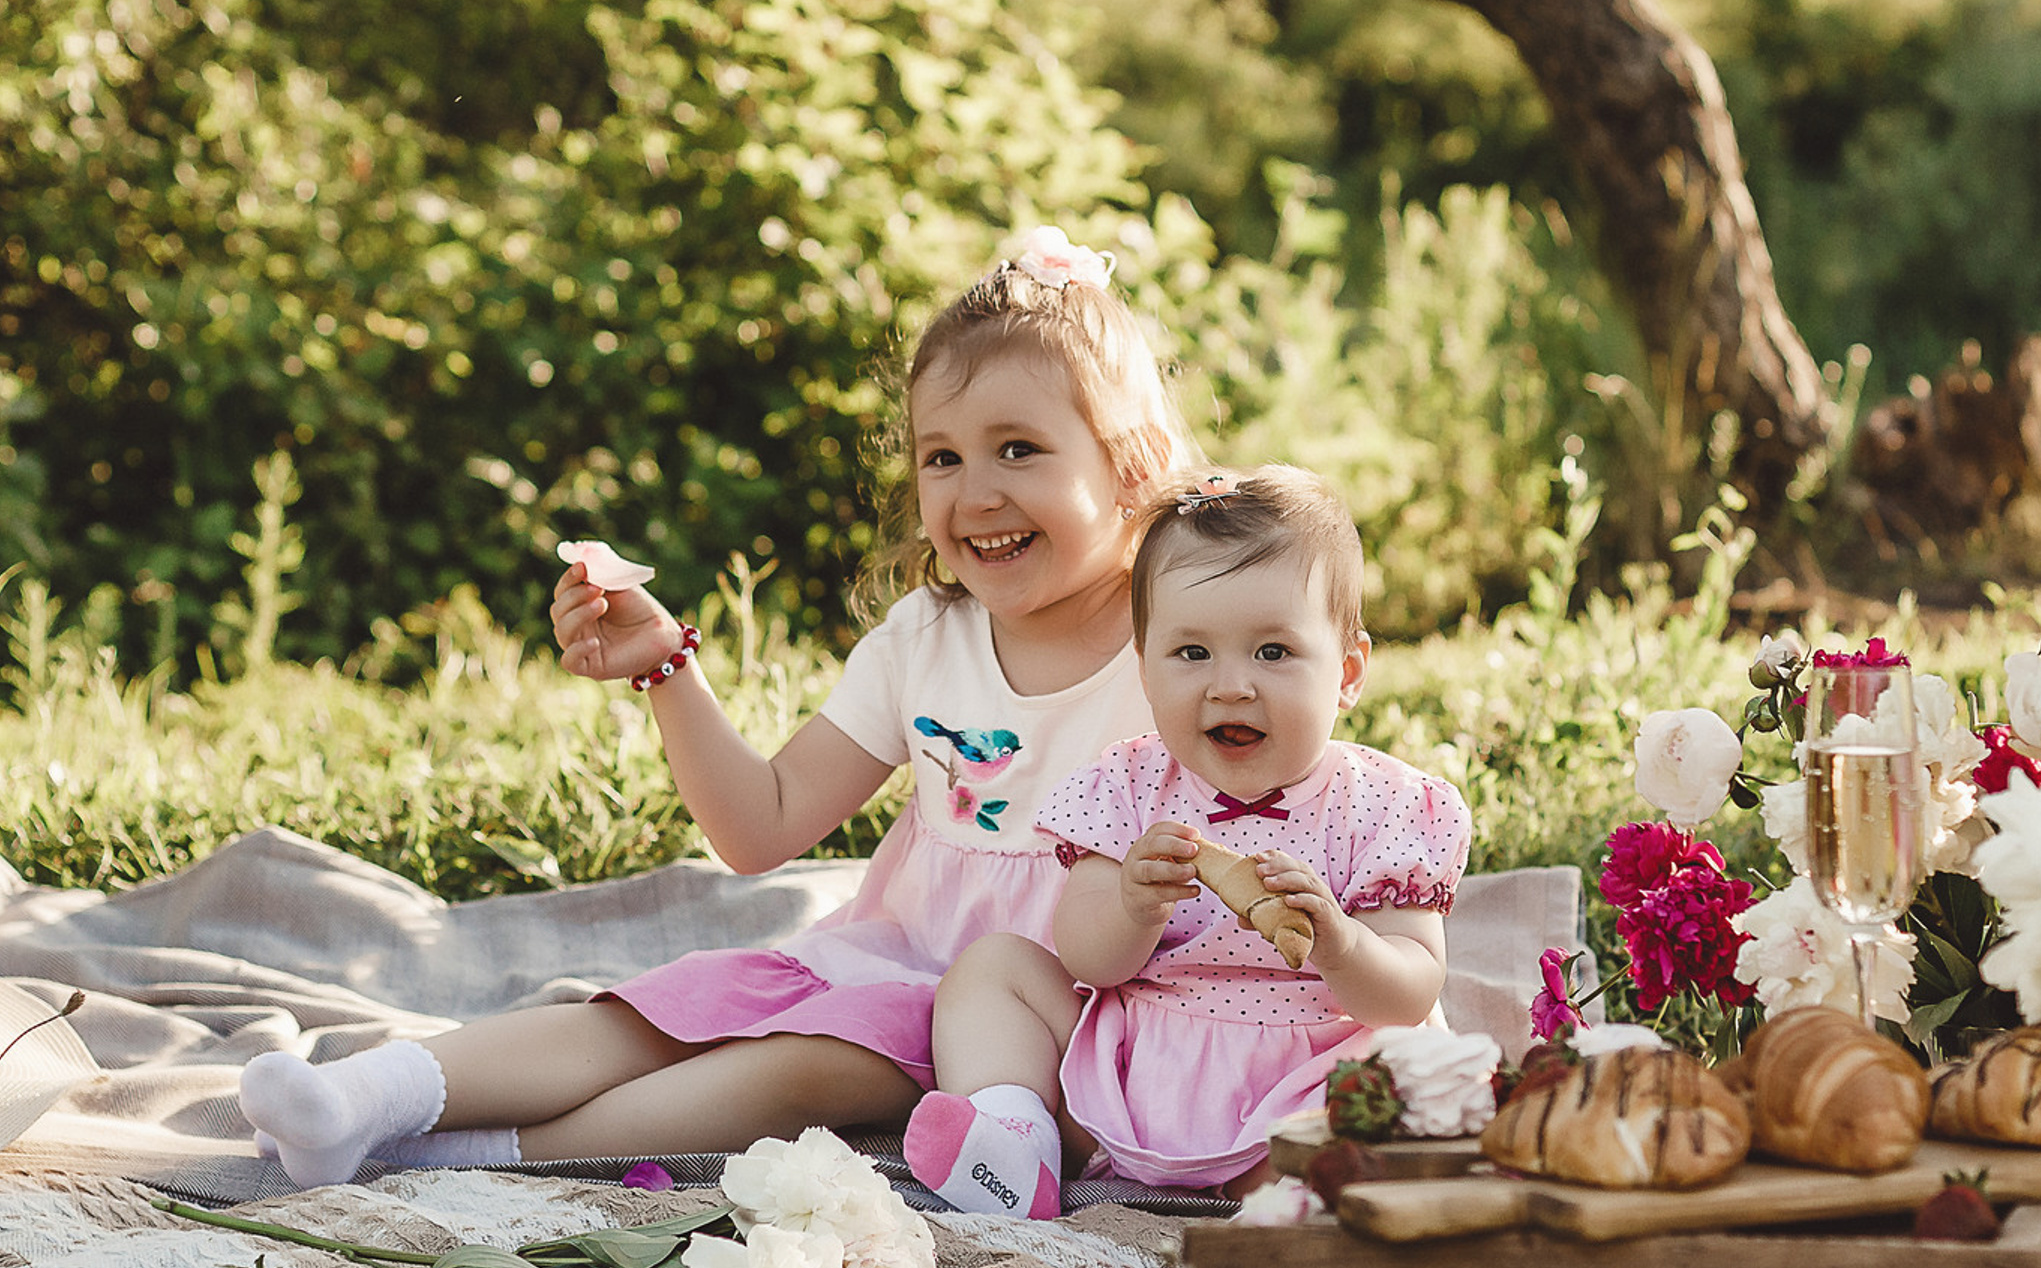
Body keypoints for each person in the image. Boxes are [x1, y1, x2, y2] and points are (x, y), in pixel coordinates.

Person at [238, 231, 1194, 1186]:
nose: (973, 493)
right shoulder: (924, 640)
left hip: (1050, 1021)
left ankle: (443, 1156)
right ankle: (363, 1097)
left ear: (1134, 463)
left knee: (795, 1070)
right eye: (939, 457)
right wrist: (668, 672)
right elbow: (761, 826)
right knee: (668, 1011)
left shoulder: (1181, 650)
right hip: (893, 964)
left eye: (1018, 450)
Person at [907, 464, 1470, 1218]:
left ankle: (1288, 1194)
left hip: (1304, 1077)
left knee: (1407, 1076)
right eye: (1192, 653)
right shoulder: (1128, 787)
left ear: (1348, 671)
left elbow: (1411, 990)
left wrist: (1340, 942)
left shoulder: (1385, 806)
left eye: (1272, 652)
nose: (1230, 685)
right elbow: (1086, 958)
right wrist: (1131, 907)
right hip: (1135, 1066)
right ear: (1143, 667)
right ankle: (1017, 1142)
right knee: (992, 970)